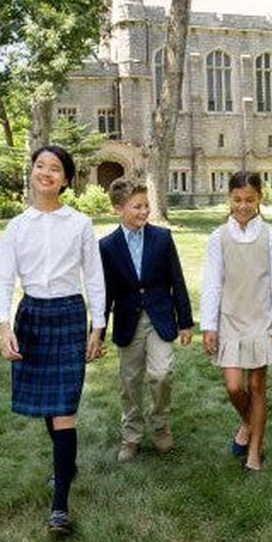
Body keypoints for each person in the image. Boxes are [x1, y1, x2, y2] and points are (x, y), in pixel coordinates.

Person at [0, 145, 106, 537]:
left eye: (55, 168)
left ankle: (60, 507)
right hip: (33, 317)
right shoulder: (17, 227)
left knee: (64, 409)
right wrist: (4, 327)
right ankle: (65, 464)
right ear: (33, 172)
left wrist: (97, 327)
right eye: (40, 166)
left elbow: (94, 278)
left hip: (69, 315)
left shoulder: (80, 224)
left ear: (66, 179)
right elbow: (2, 280)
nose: (46, 173)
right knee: (47, 405)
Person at [98, 177, 194, 464]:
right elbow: (105, 292)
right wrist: (97, 334)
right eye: (137, 206)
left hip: (159, 318)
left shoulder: (162, 238)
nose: (144, 211)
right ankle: (131, 436)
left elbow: (177, 280)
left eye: (146, 205)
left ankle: (160, 424)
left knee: (162, 373)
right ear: (119, 209)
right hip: (128, 321)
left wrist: (185, 322)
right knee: (129, 381)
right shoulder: (107, 246)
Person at [200, 171, 272, 472]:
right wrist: (209, 326)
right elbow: (212, 283)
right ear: (229, 198)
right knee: (234, 386)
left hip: (261, 319)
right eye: (237, 199)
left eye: (249, 199)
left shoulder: (271, 235)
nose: (243, 205)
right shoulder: (218, 237)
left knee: (257, 385)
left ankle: (254, 450)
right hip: (230, 320)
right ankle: (249, 423)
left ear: (259, 199)